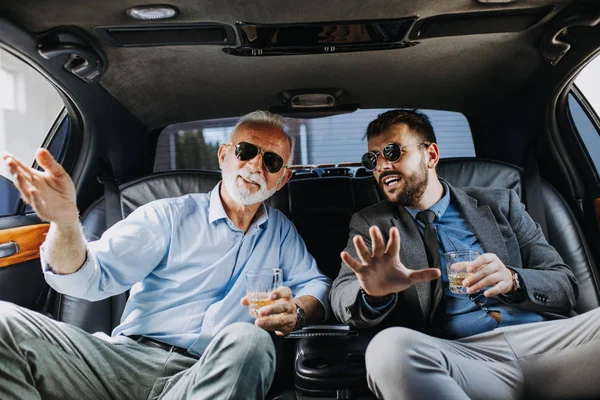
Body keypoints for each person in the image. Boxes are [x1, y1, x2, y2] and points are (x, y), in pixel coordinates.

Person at [0, 110, 331, 400]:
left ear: (283, 177)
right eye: (246, 151)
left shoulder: (281, 232)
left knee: (251, 340)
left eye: (271, 161)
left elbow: (316, 285)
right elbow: (87, 278)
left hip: (204, 376)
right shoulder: (167, 216)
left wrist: (297, 313)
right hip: (121, 363)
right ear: (223, 156)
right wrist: (65, 222)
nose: (256, 165)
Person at [330, 109, 600, 399]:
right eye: (373, 159)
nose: (381, 166)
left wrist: (513, 279)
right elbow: (342, 294)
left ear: (431, 155)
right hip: (464, 356)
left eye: (392, 152)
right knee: (387, 349)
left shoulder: (500, 203)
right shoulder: (373, 223)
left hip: (548, 344)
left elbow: (565, 286)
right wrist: (374, 294)